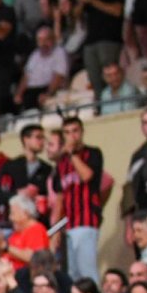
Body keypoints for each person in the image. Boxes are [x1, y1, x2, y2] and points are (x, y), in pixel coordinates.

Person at [51, 117, 104, 283]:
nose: (72, 136)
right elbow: (59, 198)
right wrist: (56, 230)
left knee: (87, 272)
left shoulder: (93, 153)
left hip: (87, 221)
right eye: (67, 132)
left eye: (75, 131)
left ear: (82, 132)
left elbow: (87, 175)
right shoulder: (61, 164)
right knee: (72, 275)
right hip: (69, 225)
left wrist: (72, 154)